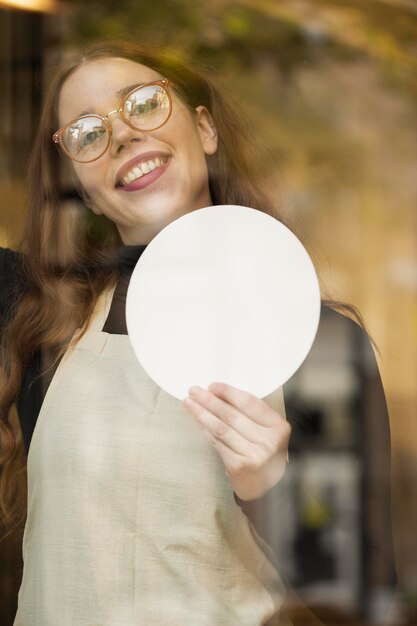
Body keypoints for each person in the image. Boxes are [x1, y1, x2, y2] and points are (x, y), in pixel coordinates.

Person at [0, 40, 395, 626]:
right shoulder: (39, 316)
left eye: (143, 103)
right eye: (86, 134)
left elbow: (366, 594)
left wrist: (271, 490)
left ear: (205, 130)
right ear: (79, 188)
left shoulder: (317, 340)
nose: (124, 135)